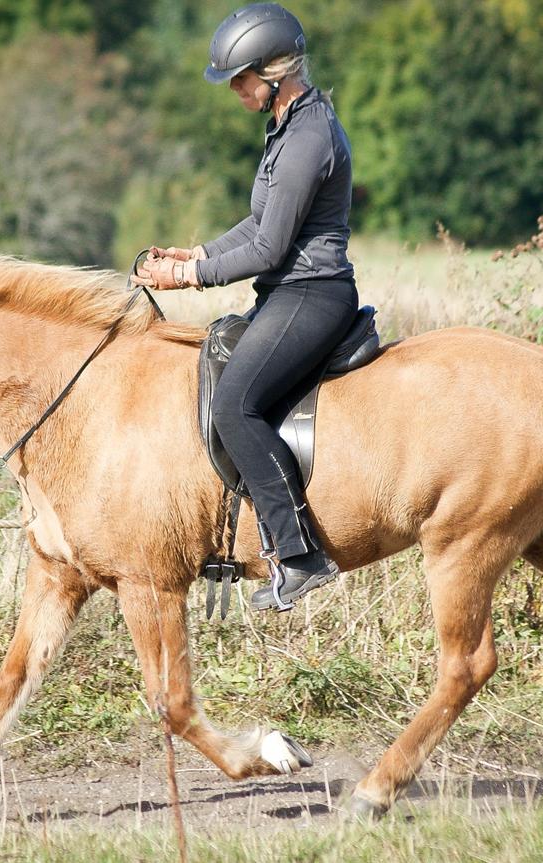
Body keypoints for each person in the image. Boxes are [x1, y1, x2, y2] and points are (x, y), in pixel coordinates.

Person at [133, 3, 357, 612]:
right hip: (289, 290)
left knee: (235, 404)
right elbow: (259, 220)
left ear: (274, 71)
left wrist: (188, 277)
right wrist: (200, 250)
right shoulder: (288, 125)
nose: (234, 90)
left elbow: (269, 247)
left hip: (314, 292)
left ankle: (298, 555)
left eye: (239, 78)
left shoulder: (309, 136)